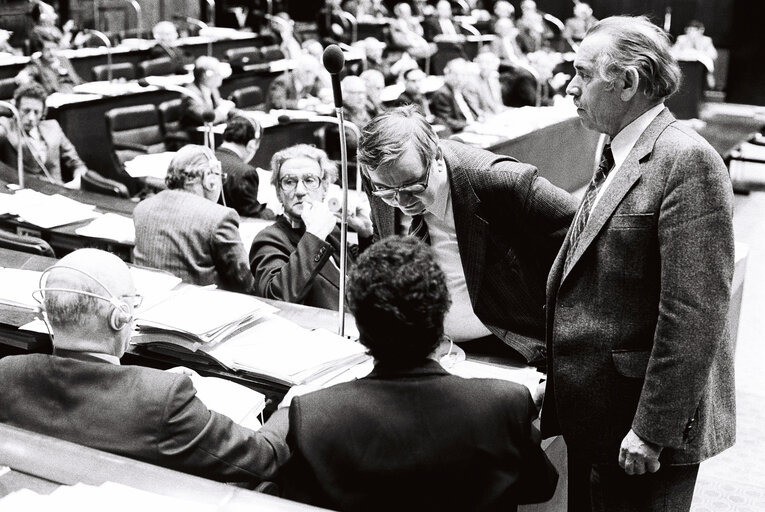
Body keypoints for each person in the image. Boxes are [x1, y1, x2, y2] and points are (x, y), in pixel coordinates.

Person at [541, 16, 735, 512]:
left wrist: (651, 430)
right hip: (598, 416)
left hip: (641, 433)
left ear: (627, 82)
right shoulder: (615, 146)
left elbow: (693, 315)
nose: (569, 86)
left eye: (583, 74)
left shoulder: (687, 160)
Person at [278, 236, 559, 510]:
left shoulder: (313, 416)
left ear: (361, 330)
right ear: (441, 318)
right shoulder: (505, 404)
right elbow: (541, 486)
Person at [0, 248, 289, 482]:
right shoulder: (164, 399)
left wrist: (150, 382)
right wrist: (289, 407)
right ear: (119, 317)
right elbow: (263, 458)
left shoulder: (7, 372)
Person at [358, 106, 576, 365]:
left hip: (508, 348)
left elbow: (583, 237)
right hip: (425, 349)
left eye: (413, 186)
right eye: (386, 190)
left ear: (436, 156)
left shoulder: (504, 183)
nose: (401, 201)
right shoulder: (381, 178)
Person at [249, 144, 373, 311]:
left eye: (309, 180)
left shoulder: (331, 229)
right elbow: (276, 299)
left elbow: (364, 276)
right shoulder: (269, 239)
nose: (300, 191)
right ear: (278, 192)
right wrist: (314, 235)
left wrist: (366, 235)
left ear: (324, 188)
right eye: (289, 182)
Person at [133, 145, 256, 293]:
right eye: (219, 176)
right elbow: (244, 282)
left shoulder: (142, 208)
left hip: (149, 304)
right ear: (209, 179)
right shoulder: (219, 216)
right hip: (197, 309)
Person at [0, 83, 87, 188]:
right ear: (16, 108)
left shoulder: (53, 127)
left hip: (60, 192)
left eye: (36, 112)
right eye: (26, 111)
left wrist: (77, 181)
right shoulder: (6, 126)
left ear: (43, 112)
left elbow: (77, 163)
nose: (31, 117)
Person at [215, 115, 275, 220]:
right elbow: (255, 220)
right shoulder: (245, 173)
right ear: (251, 145)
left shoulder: (204, 159)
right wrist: (272, 209)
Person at [179, 56, 235, 133]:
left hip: (210, 131)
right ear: (205, 76)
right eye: (217, 74)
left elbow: (218, 105)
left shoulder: (212, 87)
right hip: (195, 136)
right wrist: (224, 109)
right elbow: (208, 118)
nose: (221, 77)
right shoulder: (190, 95)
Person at [430, 58, 482, 133]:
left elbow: (469, 111)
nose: (460, 78)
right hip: (460, 132)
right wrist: (468, 125)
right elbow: (446, 120)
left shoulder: (460, 89)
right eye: (456, 74)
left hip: (473, 127)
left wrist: (479, 118)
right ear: (447, 74)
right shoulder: (442, 93)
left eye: (463, 75)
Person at [15, 39, 83, 94]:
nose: (51, 53)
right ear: (41, 50)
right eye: (47, 49)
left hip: (75, 94)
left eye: (54, 48)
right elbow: (28, 71)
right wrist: (24, 74)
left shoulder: (63, 59)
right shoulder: (38, 62)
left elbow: (77, 79)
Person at [672, 20, 718, 88]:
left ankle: (709, 79)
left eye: (694, 30)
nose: (691, 33)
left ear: (700, 31)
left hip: (700, 68)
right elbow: (672, 52)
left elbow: (714, 55)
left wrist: (702, 53)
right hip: (684, 66)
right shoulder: (681, 39)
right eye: (689, 30)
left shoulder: (706, 40)